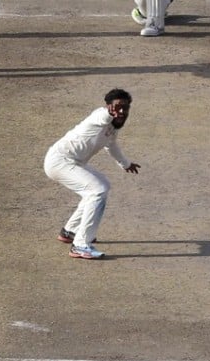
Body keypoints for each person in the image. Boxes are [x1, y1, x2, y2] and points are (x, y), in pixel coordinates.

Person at [44, 89, 142, 260]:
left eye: (125, 108)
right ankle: (81, 245)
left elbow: (111, 145)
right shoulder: (100, 116)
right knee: (97, 190)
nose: (121, 112)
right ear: (108, 107)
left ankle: (70, 231)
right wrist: (107, 113)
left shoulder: (113, 126)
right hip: (59, 161)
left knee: (102, 185)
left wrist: (125, 164)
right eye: (117, 107)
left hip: (73, 162)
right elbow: (103, 116)